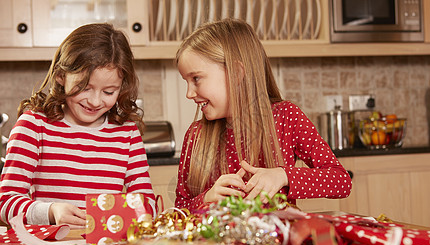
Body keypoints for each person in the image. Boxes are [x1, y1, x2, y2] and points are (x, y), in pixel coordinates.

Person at [175, 18, 352, 211]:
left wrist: (283, 175)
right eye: (187, 81)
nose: (189, 93)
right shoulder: (196, 136)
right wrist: (206, 199)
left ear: (236, 74)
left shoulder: (286, 117)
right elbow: (180, 207)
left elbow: (341, 181)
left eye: (196, 79)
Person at [0, 23, 156, 228]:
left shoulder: (127, 133)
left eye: (109, 92)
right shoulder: (34, 126)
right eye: (84, 87)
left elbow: (147, 204)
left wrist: (121, 214)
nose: (95, 101)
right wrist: (51, 211)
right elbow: (6, 203)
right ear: (61, 76)